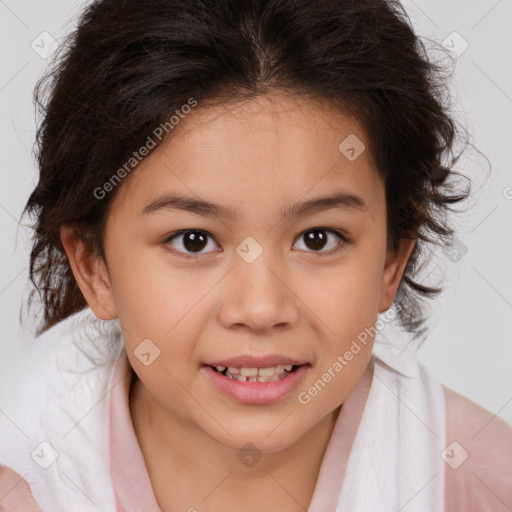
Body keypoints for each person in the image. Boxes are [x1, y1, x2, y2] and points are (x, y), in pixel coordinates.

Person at [1, 0, 511, 510]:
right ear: (94, 268)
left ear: (391, 260)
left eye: (318, 238)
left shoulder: (484, 483)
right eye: (193, 240)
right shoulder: (21, 485)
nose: (261, 308)